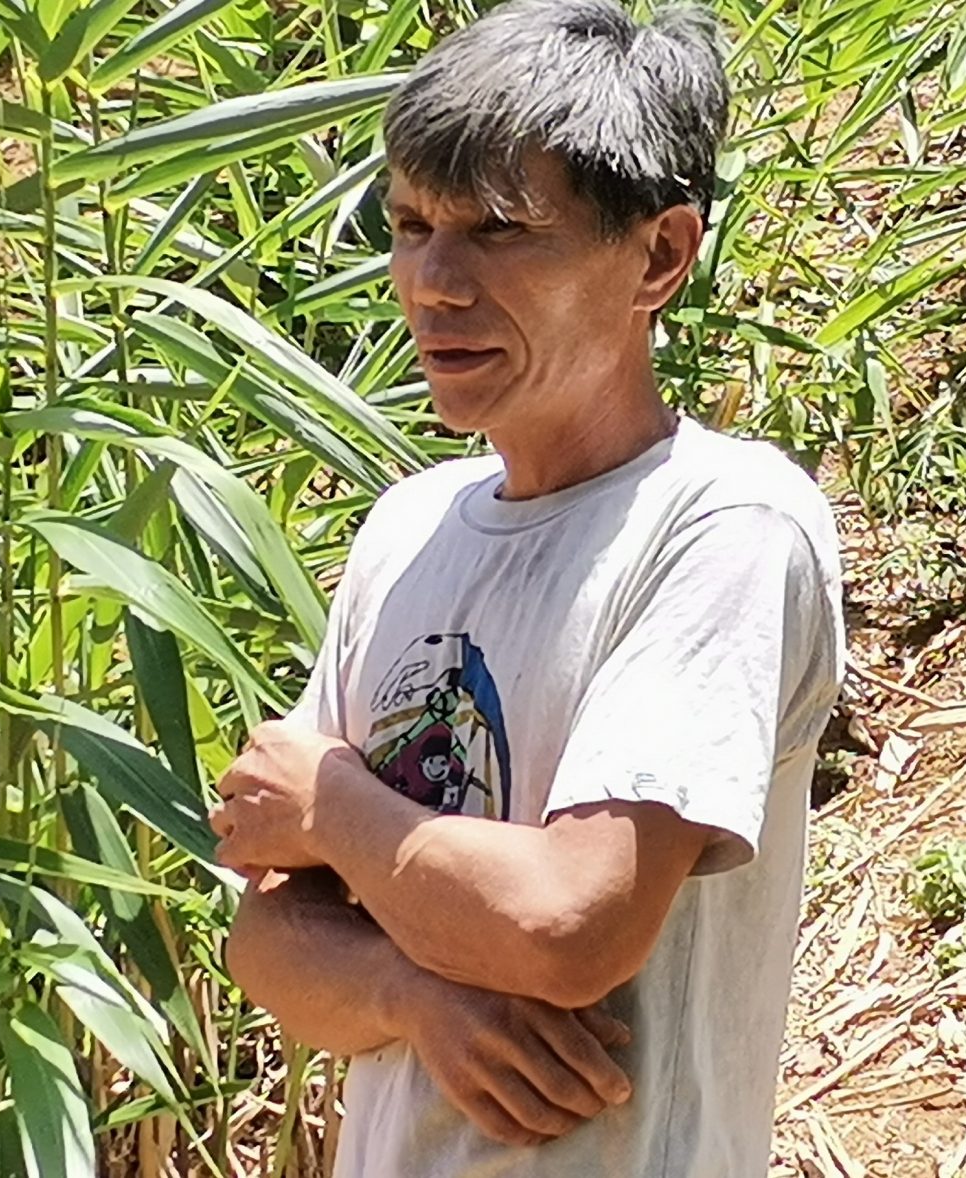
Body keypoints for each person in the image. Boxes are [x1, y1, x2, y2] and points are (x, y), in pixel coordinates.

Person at [209, 1, 845, 1174]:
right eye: (409, 225)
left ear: (659, 254)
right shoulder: (405, 531)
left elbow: (567, 923)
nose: (432, 282)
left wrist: (332, 805)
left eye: (498, 230)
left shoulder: (721, 524)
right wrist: (412, 993)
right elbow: (268, 937)